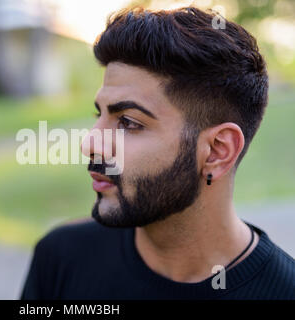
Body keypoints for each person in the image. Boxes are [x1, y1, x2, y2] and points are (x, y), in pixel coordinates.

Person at [20, 6, 294, 300]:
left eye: (128, 122)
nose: (90, 144)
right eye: (98, 114)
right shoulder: (62, 259)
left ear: (217, 151)